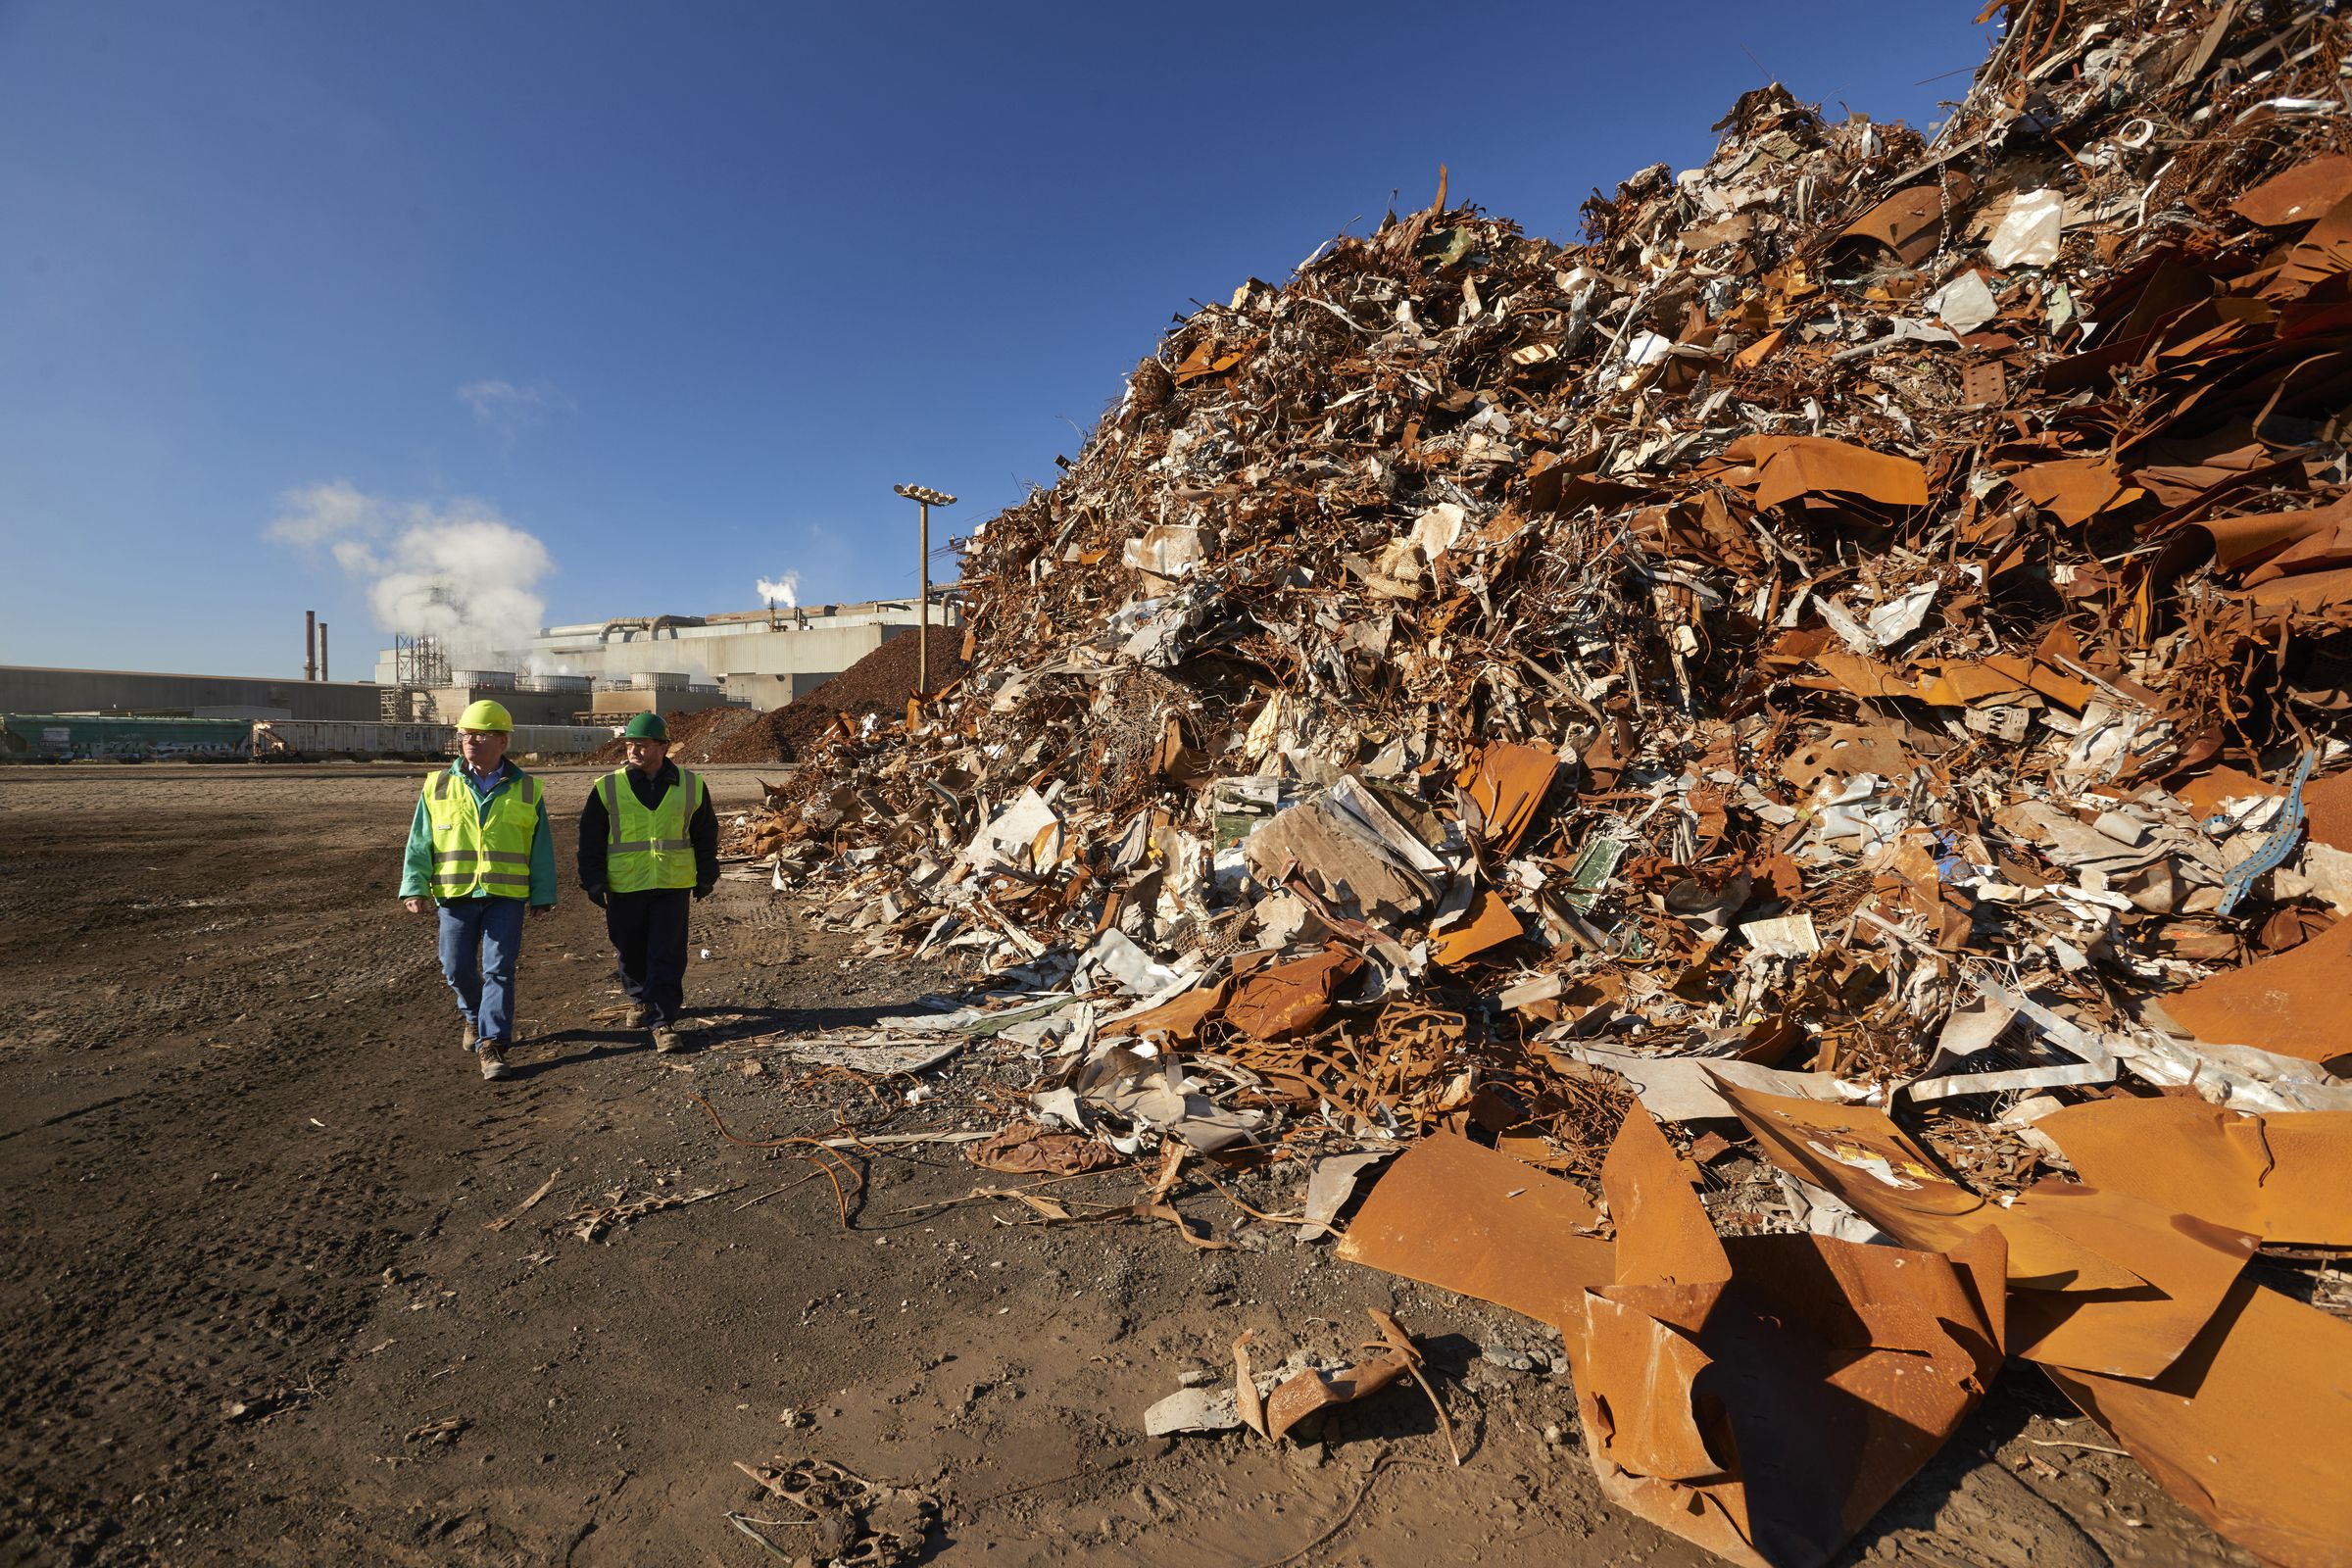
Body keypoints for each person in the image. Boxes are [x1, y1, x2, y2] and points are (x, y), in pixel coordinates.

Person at [398, 699, 557, 1081]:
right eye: (465, 734)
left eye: (480, 735)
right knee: (456, 969)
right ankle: (472, 1015)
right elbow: (420, 841)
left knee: (499, 969)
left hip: (505, 895)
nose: (470, 741)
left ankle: (492, 1043)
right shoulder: (437, 785)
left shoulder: (528, 789)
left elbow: (541, 846)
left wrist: (543, 893)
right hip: (455, 894)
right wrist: (414, 886)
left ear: (502, 741)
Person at [577, 711, 718, 1053]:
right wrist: (593, 880)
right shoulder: (607, 788)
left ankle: (663, 1020)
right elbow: (591, 839)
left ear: (664, 747)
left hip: (672, 883)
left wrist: (706, 875)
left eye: (642, 744)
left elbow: (705, 834)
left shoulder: (691, 785)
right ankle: (639, 997)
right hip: (625, 885)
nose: (634, 750)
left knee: (667, 952)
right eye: (629, 744)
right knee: (630, 948)